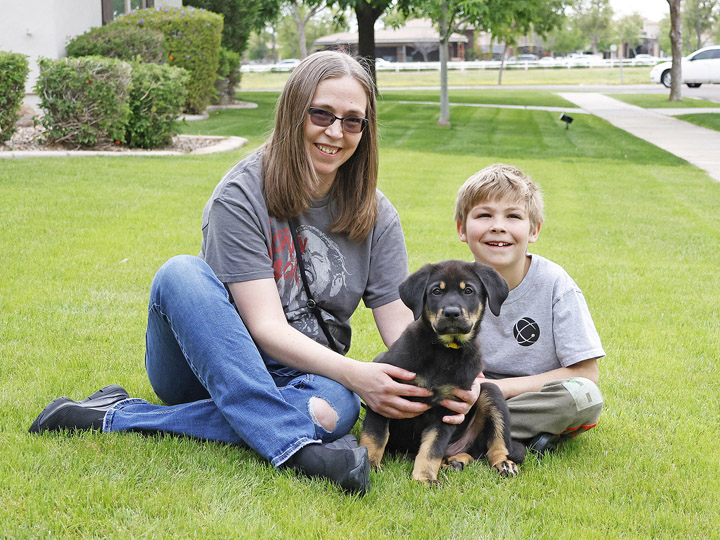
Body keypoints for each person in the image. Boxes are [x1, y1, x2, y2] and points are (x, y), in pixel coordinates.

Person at [28, 51, 477, 495]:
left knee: (335, 407)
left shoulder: (376, 213)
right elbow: (265, 328)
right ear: (293, 112)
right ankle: (298, 450)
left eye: (352, 120)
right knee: (180, 273)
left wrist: (453, 376)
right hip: (209, 366)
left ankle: (116, 413)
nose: (336, 132)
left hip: (304, 374)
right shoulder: (241, 195)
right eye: (321, 114)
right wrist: (356, 373)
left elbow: (401, 327)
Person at [454, 163, 605, 454]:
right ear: (462, 229)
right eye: (484, 215)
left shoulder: (555, 284)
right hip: (467, 393)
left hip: (529, 396)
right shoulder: (452, 286)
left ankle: (469, 433)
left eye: (513, 216)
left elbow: (586, 373)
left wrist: (499, 391)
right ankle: (510, 438)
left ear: (533, 230)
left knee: (583, 397)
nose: (498, 226)